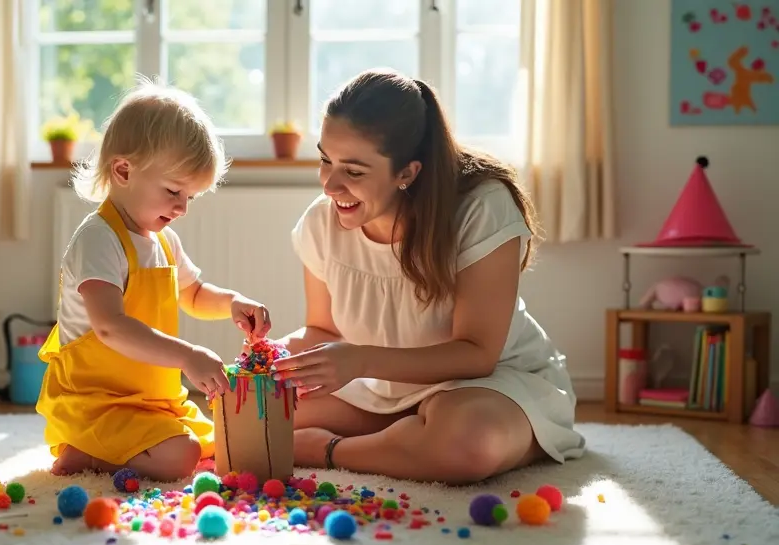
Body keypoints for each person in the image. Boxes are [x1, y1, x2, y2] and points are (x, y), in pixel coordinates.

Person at [271, 69, 586, 485]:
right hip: (382, 390)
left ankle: (334, 451)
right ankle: (405, 440)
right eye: (325, 160)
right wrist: (269, 359)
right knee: (261, 417)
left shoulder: (481, 207)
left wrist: (357, 369)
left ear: (407, 172)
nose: (330, 185)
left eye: (354, 171)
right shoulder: (320, 223)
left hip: (488, 383)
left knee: (466, 442)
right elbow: (322, 329)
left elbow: (477, 354)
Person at [36, 81, 273, 481]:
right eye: (173, 191)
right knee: (181, 457)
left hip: (153, 402)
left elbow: (194, 294)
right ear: (124, 170)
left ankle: (130, 446)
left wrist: (233, 302)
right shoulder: (98, 239)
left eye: (191, 197)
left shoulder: (164, 241)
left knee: (224, 442)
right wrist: (187, 356)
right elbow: (110, 327)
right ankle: (87, 454)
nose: (182, 207)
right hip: (99, 403)